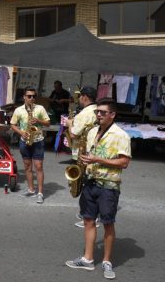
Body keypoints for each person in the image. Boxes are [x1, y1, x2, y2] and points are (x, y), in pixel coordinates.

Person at [65, 98, 131, 280]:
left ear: (112, 114)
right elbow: (86, 153)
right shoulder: (92, 131)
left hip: (108, 186)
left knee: (108, 223)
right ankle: (87, 259)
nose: (98, 115)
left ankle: (107, 261)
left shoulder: (121, 135)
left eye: (102, 112)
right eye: (97, 112)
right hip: (90, 182)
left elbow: (124, 162)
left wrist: (97, 160)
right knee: (88, 220)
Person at [65, 86, 98, 228]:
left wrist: (69, 123)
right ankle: (88, 213)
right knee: (92, 183)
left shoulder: (84, 114)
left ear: (84, 97)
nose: (78, 99)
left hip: (82, 152)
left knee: (85, 185)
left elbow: (73, 134)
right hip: (94, 151)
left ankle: (89, 216)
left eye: (79, 97)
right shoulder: (98, 110)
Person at [10, 87, 50, 204]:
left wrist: (38, 120)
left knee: (38, 167)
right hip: (25, 140)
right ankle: (31, 189)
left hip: (37, 140)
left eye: (33, 96)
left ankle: (40, 193)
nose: (32, 98)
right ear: (24, 97)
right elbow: (12, 124)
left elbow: (48, 123)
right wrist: (21, 132)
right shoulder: (18, 110)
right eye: (29, 96)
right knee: (27, 167)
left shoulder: (40, 108)